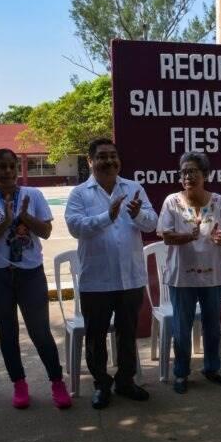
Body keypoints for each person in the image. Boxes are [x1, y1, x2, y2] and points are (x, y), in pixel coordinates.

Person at [0, 149, 71, 409]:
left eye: (11, 166)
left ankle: (57, 382)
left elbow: (47, 232)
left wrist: (25, 216)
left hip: (30, 275)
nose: (6, 171)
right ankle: (19, 384)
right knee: (8, 333)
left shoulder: (34, 195)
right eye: (1, 166)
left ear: (17, 170)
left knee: (40, 332)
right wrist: (5, 221)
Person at [65, 137, 158, 409]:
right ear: (90, 161)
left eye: (113, 156)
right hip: (96, 280)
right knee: (96, 336)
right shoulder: (80, 193)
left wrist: (139, 214)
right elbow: (75, 227)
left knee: (127, 333)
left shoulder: (133, 187)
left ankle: (126, 381)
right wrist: (109, 215)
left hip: (130, 276)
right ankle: (101, 384)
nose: (109, 161)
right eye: (102, 156)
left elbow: (152, 223)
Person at [157, 152, 221, 394]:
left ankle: (212, 368)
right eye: (184, 172)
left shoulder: (219, 202)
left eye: (193, 171)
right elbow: (165, 236)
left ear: (205, 175)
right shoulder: (172, 201)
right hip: (181, 275)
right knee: (181, 327)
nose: (188, 176)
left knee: (212, 325)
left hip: (212, 275)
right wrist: (189, 237)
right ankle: (181, 373)